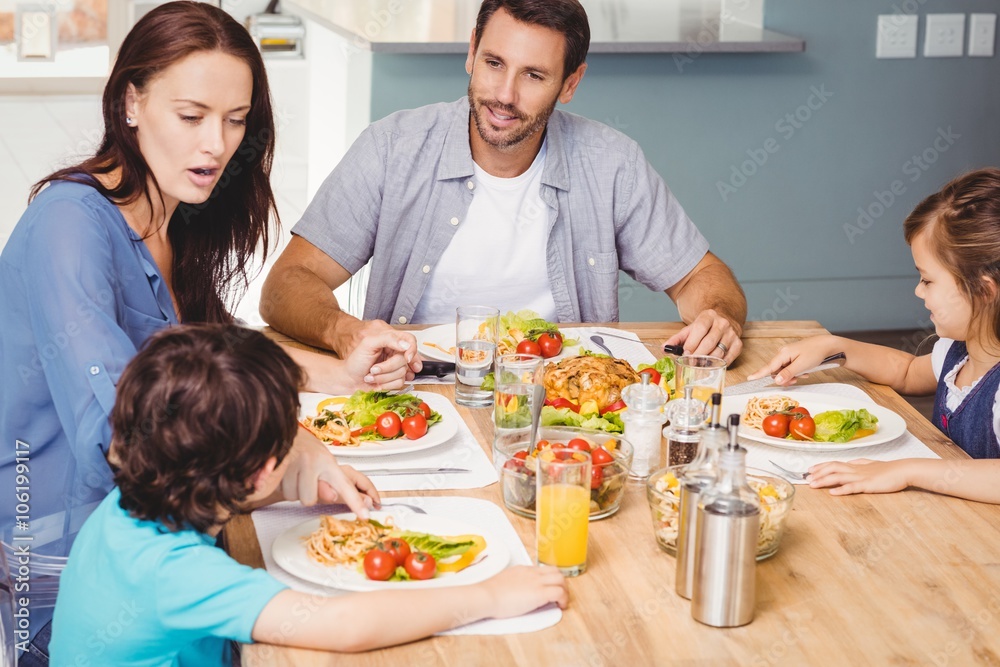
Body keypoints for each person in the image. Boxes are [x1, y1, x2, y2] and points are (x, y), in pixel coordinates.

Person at [0, 3, 395, 660]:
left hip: (162, 535)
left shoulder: (169, 213)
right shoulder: (69, 227)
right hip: (64, 557)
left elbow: (209, 359)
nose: (216, 143)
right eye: (191, 117)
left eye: (235, 120)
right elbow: (123, 436)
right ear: (131, 102)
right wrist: (290, 447)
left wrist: (338, 370)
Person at [260, 0, 747, 365]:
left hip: (563, 405)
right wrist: (345, 332)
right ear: (472, 52)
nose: (505, 95)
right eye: (494, 63)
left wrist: (718, 316)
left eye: (534, 75)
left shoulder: (611, 164)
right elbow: (286, 286)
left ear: (570, 84)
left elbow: (700, 277)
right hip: (421, 392)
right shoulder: (392, 148)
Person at [48, 324, 569, 665]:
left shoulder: (137, 500)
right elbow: (344, 626)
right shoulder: (176, 573)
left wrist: (284, 490)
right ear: (260, 472)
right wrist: (490, 596)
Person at [748, 168, 1000, 503]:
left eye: (927, 280)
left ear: (983, 291)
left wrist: (907, 470)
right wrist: (836, 348)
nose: (918, 291)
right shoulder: (960, 353)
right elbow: (907, 372)